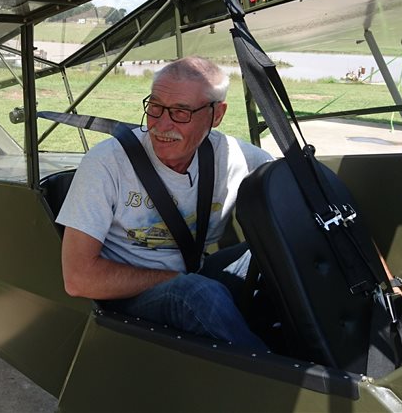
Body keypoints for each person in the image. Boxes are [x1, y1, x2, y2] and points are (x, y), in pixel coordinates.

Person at [57, 56, 271, 350]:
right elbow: (78, 279)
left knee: (268, 254)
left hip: (192, 276)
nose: (161, 125)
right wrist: (173, 278)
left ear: (216, 115)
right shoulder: (106, 163)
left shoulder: (234, 157)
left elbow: (288, 184)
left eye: (181, 112)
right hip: (128, 297)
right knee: (195, 293)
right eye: (155, 107)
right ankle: (272, 379)